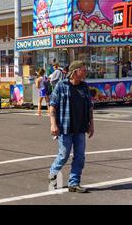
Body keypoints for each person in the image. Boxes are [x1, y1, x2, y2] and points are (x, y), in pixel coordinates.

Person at [49, 61, 94, 193]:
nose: (85, 72)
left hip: (80, 128)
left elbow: (90, 107)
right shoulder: (61, 86)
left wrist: (91, 124)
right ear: (75, 72)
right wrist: (53, 124)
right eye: (83, 70)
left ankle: (74, 183)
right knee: (64, 155)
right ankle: (53, 173)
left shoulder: (84, 87)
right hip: (65, 127)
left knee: (80, 156)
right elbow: (53, 105)